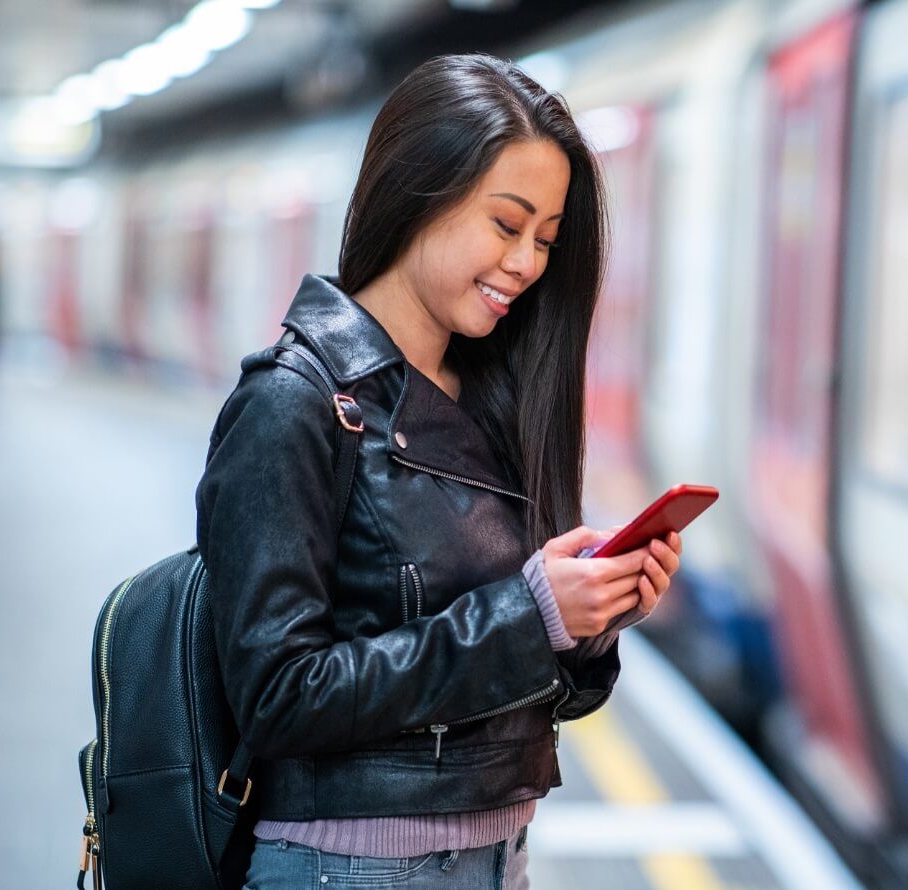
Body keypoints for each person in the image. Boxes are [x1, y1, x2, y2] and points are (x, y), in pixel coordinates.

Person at [195, 53, 683, 890]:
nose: (528, 263)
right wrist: (530, 617)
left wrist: (588, 622)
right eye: (506, 224)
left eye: (546, 239)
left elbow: (525, 705)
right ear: (418, 189)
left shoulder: (494, 400)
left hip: (500, 859)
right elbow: (276, 696)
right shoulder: (294, 404)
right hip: (348, 870)